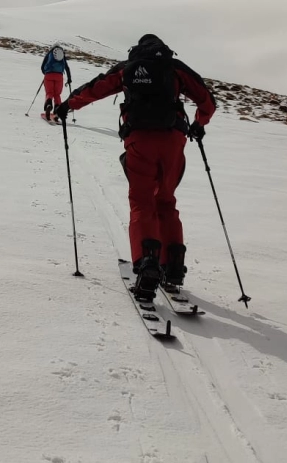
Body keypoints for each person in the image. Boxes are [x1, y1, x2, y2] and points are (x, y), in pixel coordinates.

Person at [58, 33, 215, 302]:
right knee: (166, 201)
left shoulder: (128, 68)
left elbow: (96, 87)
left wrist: (68, 105)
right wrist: (199, 123)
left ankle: (147, 265)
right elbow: (206, 100)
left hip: (139, 139)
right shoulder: (174, 68)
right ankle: (173, 267)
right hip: (173, 140)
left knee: (142, 202)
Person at [40, 45, 72, 122]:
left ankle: (48, 105)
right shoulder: (62, 55)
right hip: (59, 76)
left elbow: (42, 66)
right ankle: (57, 111)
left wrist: (46, 73)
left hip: (49, 75)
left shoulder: (50, 53)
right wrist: (69, 78)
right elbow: (67, 67)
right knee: (57, 94)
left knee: (49, 93)